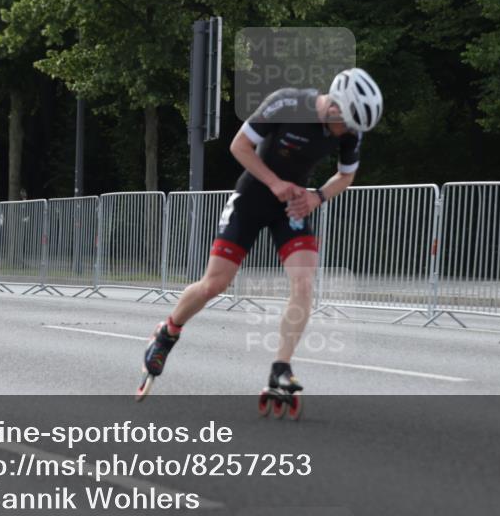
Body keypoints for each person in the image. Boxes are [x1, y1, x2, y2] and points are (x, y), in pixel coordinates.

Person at [137, 68, 383, 400]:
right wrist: (274, 183)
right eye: (348, 123)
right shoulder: (286, 103)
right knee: (215, 284)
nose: (349, 132)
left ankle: (280, 368)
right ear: (335, 105)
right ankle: (168, 332)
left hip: (291, 206)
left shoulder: (351, 129)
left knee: (304, 281)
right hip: (252, 199)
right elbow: (239, 147)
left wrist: (317, 196)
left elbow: (345, 176)